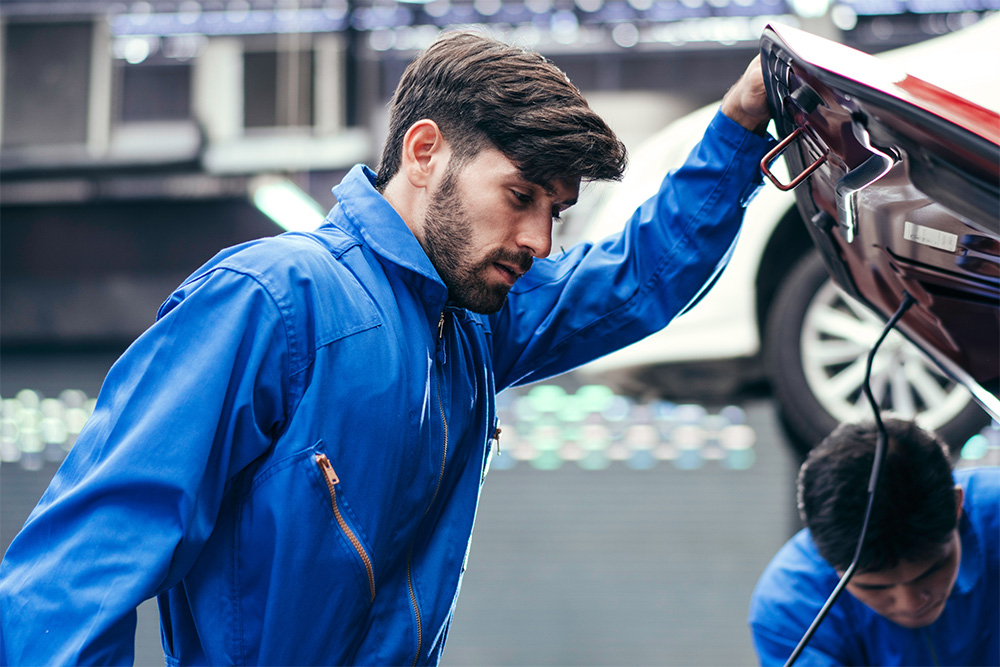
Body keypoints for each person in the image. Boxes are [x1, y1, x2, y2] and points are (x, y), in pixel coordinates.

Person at [0, 30, 773, 665]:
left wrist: (741, 129)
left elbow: (641, 277)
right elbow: (75, 575)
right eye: (520, 196)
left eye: (557, 214)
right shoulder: (271, 298)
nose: (538, 239)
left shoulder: (473, 321)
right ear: (424, 150)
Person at [748, 418, 999, 666]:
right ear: (823, 554)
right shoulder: (791, 611)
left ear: (956, 506)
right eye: (875, 588)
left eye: (932, 570)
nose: (910, 603)